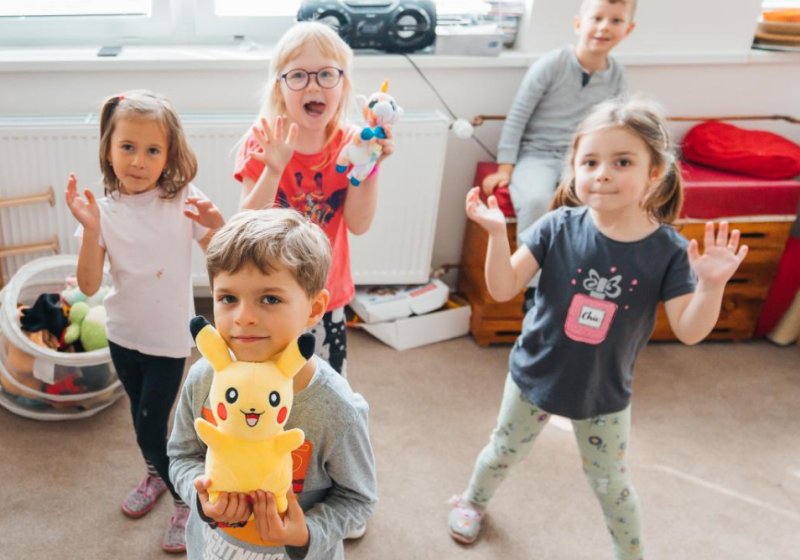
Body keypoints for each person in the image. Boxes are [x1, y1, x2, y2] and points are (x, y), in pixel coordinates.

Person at [448, 97, 748, 559]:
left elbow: (689, 331)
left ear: (655, 173)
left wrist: (711, 286)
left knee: (611, 483)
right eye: (590, 162)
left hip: (603, 394)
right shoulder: (556, 226)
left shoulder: (668, 251)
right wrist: (494, 234)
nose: (602, 173)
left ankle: (630, 552)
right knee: (502, 451)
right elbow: (503, 288)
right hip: (533, 376)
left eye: (622, 162)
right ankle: (472, 501)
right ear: (573, 169)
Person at [65, 90, 225, 553]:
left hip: (168, 342)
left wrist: (217, 225)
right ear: (108, 150)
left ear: (169, 155)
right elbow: (88, 286)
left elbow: (224, 262)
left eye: (153, 150)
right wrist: (91, 231)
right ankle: (155, 474)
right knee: (142, 418)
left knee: (150, 428)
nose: (138, 160)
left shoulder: (184, 199)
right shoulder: (101, 212)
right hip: (122, 336)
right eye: (128, 147)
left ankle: (183, 499)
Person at [167, 209, 377, 560]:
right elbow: (182, 455)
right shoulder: (204, 377)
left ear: (314, 308)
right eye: (228, 298)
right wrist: (200, 497)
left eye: (270, 299)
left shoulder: (337, 408)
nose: (243, 317)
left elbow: (358, 498)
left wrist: (307, 532)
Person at [233, 21, 395, 376]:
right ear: (279, 90)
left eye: (326, 74)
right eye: (298, 76)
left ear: (343, 85)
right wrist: (274, 168)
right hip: (269, 295)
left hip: (326, 295)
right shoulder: (263, 140)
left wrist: (367, 166)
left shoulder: (355, 143)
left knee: (326, 391)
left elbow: (359, 224)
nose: (313, 86)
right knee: (268, 387)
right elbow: (245, 227)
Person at [482, 0, 636, 310]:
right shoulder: (552, 64)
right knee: (537, 200)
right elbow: (518, 116)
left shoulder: (617, 76)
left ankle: (572, 280)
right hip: (536, 154)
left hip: (581, 160)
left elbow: (617, 127)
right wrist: (505, 167)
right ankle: (532, 288)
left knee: (583, 202)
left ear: (628, 30)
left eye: (616, 21)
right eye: (597, 18)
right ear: (579, 24)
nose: (604, 27)